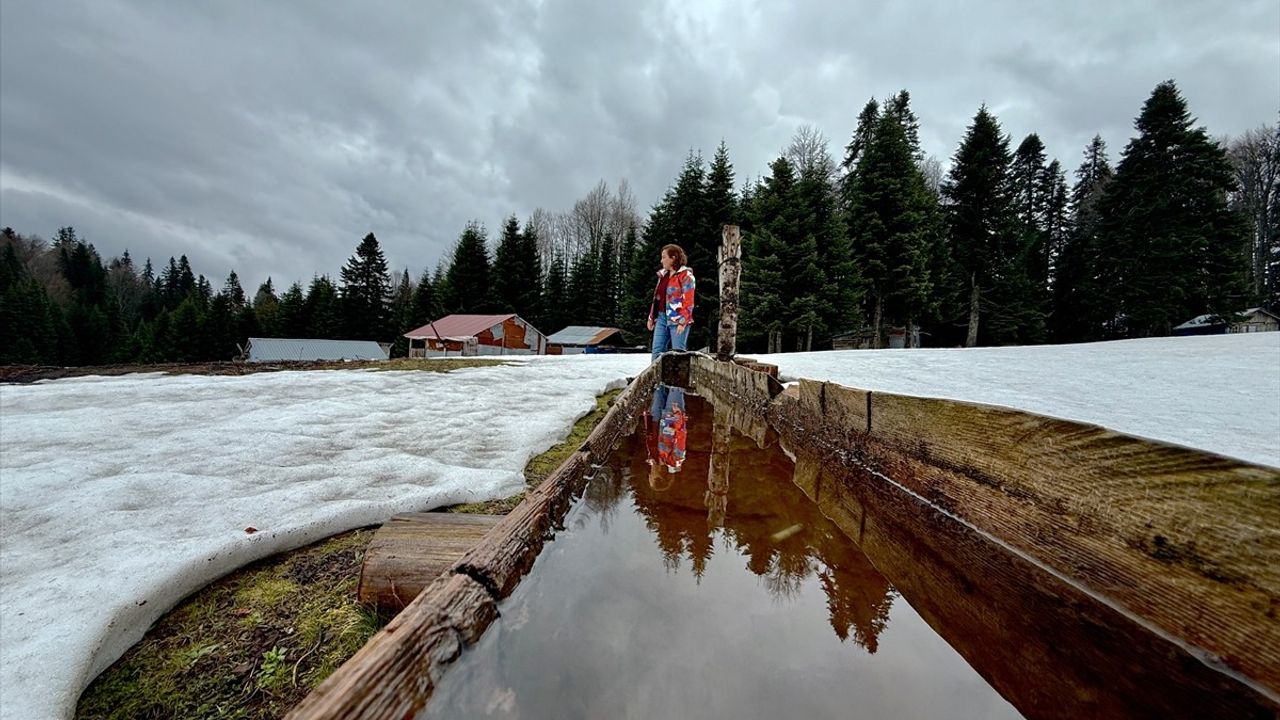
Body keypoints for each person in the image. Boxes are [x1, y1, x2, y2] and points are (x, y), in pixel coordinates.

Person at [648, 244, 695, 359]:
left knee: (678, 354)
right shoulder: (662, 275)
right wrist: (651, 317)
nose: (661, 260)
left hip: (678, 319)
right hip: (661, 318)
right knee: (657, 352)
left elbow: (689, 301)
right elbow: (657, 298)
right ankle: (656, 377)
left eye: (664, 257)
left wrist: (683, 321)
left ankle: (678, 377)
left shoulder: (686, 276)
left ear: (673, 258)